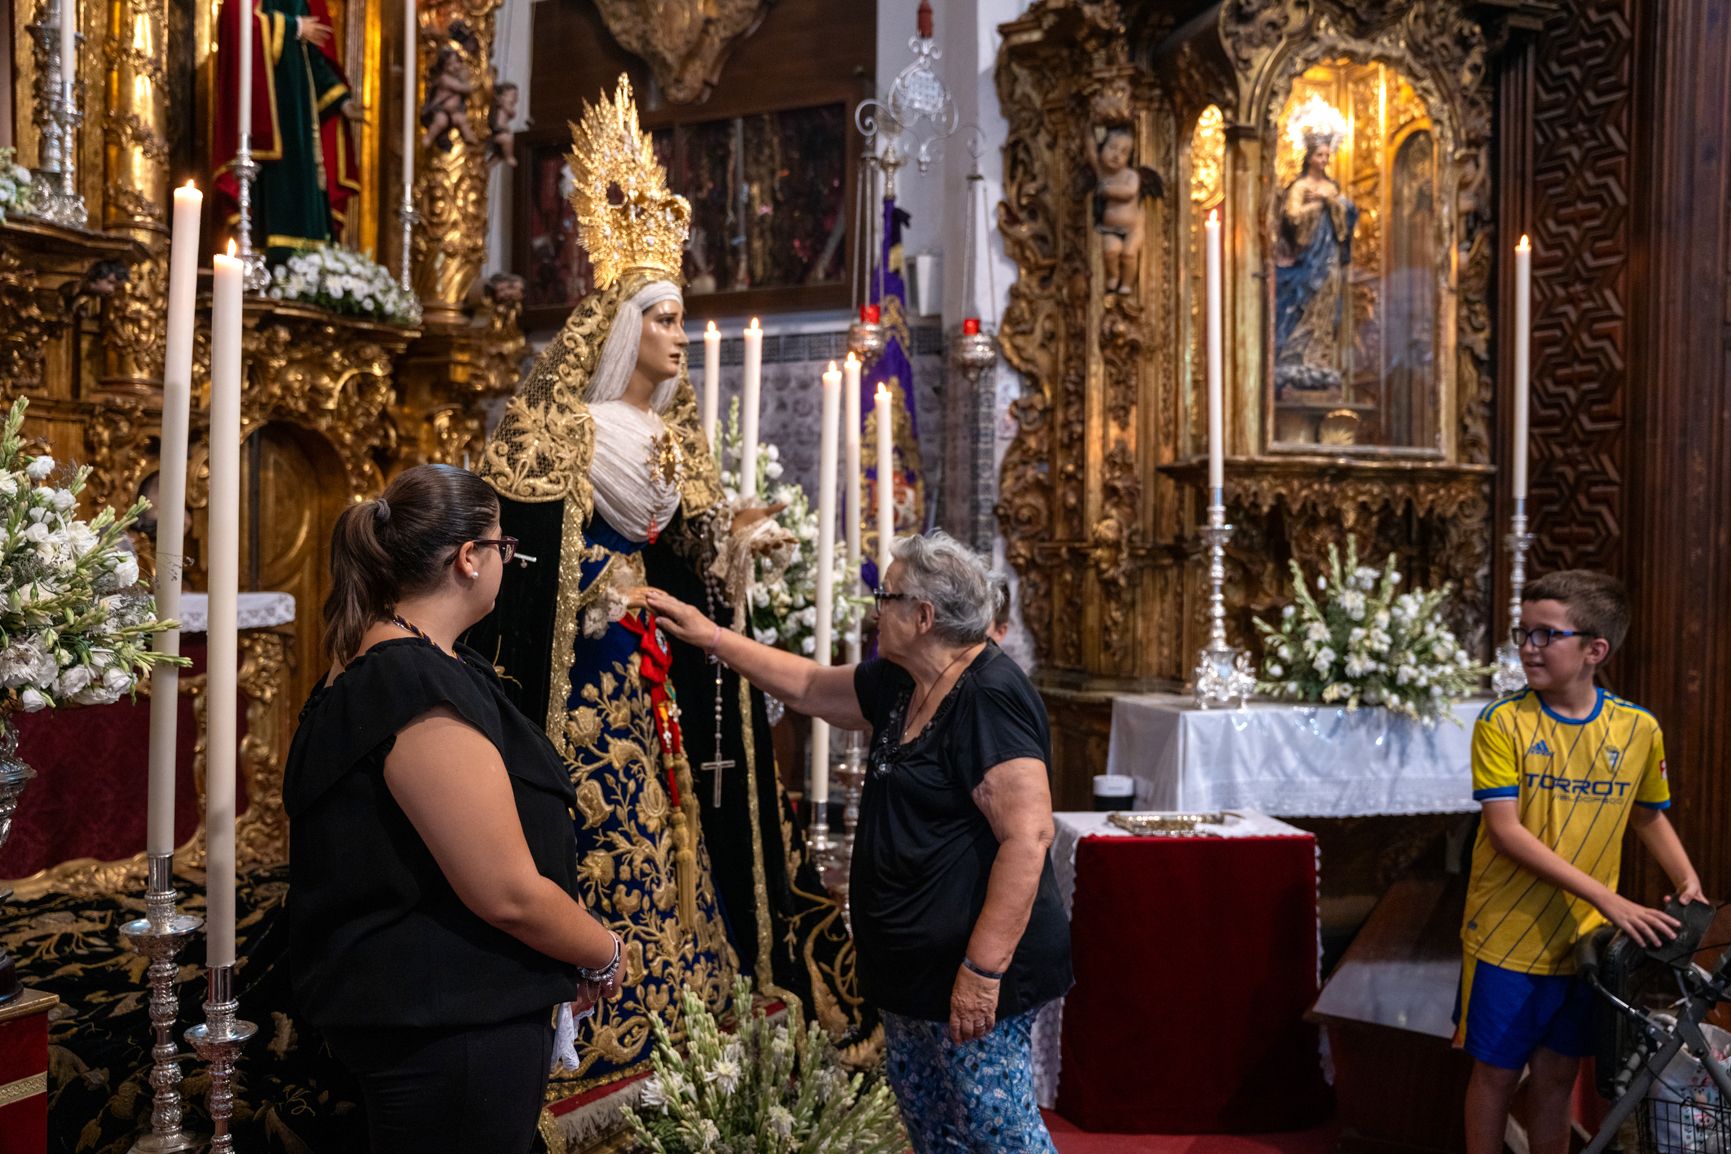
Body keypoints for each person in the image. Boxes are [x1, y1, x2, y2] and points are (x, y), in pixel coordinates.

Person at [466, 75, 866, 1094]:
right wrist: (594, 586)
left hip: (656, 685)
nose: (682, 336)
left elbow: (689, 564)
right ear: (622, 328)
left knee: (677, 823)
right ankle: (597, 1012)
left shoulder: (675, 440)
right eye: (668, 319)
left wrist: (732, 549)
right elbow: (523, 565)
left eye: (685, 319)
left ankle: (685, 994)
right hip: (586, 681)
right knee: (605, 829)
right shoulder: (560, 432)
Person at [645, 531, 1072, 1153]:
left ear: (923, 617)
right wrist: (711, 636)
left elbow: (1029, 837)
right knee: (937, 1130)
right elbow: (812, 686)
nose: (876, 609)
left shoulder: (990, 695)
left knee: (995, 1132)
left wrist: (981, 972)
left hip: (972, 971)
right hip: (910, 973)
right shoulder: (904, 680)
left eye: (886, 596)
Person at [283, 463, 623, 1154]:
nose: (508, 560)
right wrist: (604, 952)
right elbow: (505, 892)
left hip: (450, 1020)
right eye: (504, 546)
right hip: (448, 1033)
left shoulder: (409, 659)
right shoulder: (410, 681)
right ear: (469, 558)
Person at [1457, 570, 1703, 1154]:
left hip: (1583, 942)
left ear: (1596, 650)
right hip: (1506, 934)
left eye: (1545, 635)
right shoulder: (1503, 723)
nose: (1526, 648)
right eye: (1523, 633)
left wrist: (1686, 877)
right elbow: (1505, 832)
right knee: (1493, 1076)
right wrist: (1608, 897)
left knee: (1557, 1078)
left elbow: (1648, 813)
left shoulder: (1638, 728)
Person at [213, 0, 363, 262]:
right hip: (265, 118)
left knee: (304, 178)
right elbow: (238, 24)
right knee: (272, 184)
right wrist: (292, 27)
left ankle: (310, 264)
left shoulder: (302, 2)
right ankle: (267, 257)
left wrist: (341, 100)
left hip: (301, 122)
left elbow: (315, 59)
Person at [1274, 109, 1358, 396]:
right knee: (1303, 305)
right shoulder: (1300, 186)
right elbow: (1292, 217)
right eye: (1319, 155)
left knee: (1325, 309)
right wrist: (1318, 205)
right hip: (1307, 258)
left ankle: (1319, 358)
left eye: (1327, 155)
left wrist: (1330, 201)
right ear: (1309, 156)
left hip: (1330, 257)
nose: (1324, 160)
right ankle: (1295, 357)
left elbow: (1346, 215)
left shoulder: (1330, 187)